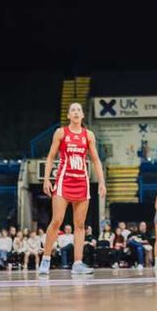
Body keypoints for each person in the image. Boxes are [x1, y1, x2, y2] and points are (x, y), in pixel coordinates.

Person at [38, 103, 106, 276]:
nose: (76, 112)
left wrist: (102, 182)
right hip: (63, 181)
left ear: (82, 115)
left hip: (82, 182)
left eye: (78, 110)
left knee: (80, 225)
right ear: (69, 115)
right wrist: (46, 179)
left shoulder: (88, 135)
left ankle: (77, 263)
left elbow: (96, 160)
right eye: (73, 110)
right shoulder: (61, 132)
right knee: (57, 220)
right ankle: (45, 260)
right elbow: (51, 156)